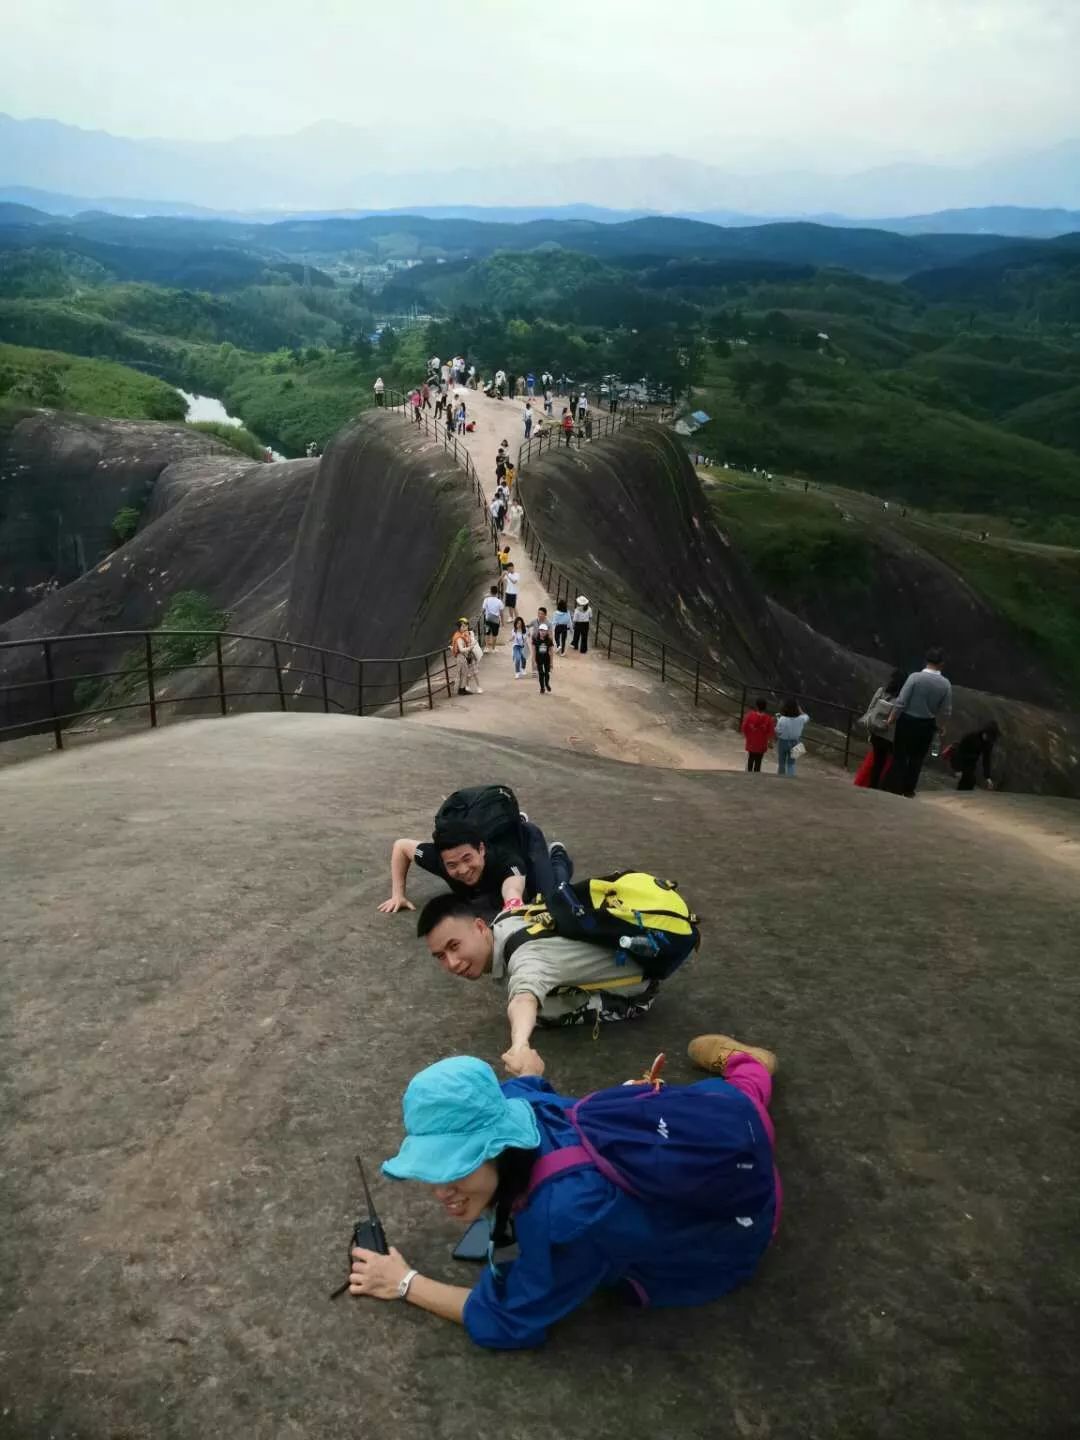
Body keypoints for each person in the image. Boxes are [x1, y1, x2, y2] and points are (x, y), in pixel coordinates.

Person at [347, 1040, 780, 1348]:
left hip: (734, 1226)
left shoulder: (566, 1218)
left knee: (749, 1110)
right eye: (432, 1168)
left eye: (458, 1165)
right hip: (710, 1114)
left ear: (500, 1148)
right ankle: (746, 1066)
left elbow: (507, 1320)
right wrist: (531, 1068)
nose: (441, 1191)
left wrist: (402, 1282)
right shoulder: (516, 1104)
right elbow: (530, 1085)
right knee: (742, 1099)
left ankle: (749, 1065)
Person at [379, 814, 567, 919]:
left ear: (481, 850)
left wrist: (513, 902)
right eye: (452, 864)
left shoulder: (505, 861)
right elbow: (401, 846)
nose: (463, 870)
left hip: (525, 844)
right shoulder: (437, 858)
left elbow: (512, 887)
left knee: (551, 899)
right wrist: (398, 895)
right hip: (490, 841)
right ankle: (511, 821)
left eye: (467, 859)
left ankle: (557, 854)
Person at [884, 648, 952, 798]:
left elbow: (902, 700)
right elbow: (946, 710)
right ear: (941, 664)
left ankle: (895, 786)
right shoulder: (945, 684)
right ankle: (908, 789)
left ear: (926, 661)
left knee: (900, 754)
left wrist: (892, 717)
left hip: (907, 720)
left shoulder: (915, 677)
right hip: (927, 724)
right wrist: (942, 725)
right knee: (917, 757)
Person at [858, 668, 906, 789]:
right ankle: (880, 786)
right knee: (886, 763)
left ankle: (871, 785)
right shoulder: (903, 699)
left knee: (877, 761)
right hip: (890, 735)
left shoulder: (882, 691)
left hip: (877, 731)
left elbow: (871, 708)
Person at [948, 721, 1000, 792]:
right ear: (984, 732)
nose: (987, 739)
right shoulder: (971, 737)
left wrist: (987, 777)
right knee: (966, 781)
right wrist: (958, 769)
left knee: (970, 782)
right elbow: (959, 752)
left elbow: (986, 760)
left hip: (971, 763)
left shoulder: (988, 743)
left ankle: (962, 798)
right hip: (960, 759)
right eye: (987, 736)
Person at [774, 699, 809, 777]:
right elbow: (807, 716)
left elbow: (778, 731)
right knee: (791, 763)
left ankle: (781, 778)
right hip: (795, 742)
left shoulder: (782, 719)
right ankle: (790, 779)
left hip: (783, 742)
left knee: (781, 763)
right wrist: (800, 710)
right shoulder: (801, 719)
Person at [740, 697, 776, 773]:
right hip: (762, 743)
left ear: (756, 706)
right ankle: (756, 776)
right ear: (765, 707)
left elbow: (744, 727)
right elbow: (771, 732)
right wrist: (770, 743)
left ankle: (748, 774)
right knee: (758, 761)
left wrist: (747, 736)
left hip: (751, 742)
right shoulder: (769, 719)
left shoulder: (750, 715)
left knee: (751, 758)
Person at [450, 617, 481, 697]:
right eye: (463, 626)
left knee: (463, 673)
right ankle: (461, 689)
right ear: (460, 627)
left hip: (461, 657)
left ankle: (462, 689)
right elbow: (461, 649)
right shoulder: (459, 637)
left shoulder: (459, 635)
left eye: (466, 626)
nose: (465, 627)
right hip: (461, 657)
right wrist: (471, 647)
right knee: (463, 673)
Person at [532, 622, 554, 694]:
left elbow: (551, 652)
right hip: (539, 659)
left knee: (546, 673)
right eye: (541, 630)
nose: (542, 632)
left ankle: (547, 684)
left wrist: (551, 663)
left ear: (547, 631)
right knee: (541, 673)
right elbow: (534, 651)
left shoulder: (549, 640)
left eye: (544, 630)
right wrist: (534, 662)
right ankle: (542, 687)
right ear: (539, 631)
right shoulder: (536, 640)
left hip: (546, 658)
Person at [481, 586, 504, 652]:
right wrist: (502, 622)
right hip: (496, 620)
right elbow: (501, 613)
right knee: (494, 634)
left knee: (487, 633)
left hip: (488, 619)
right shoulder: (499, 601)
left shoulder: (486, 600)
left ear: (490, 592)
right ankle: (493, 648)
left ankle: (487, 647)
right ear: (497, 593)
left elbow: (483, 609)